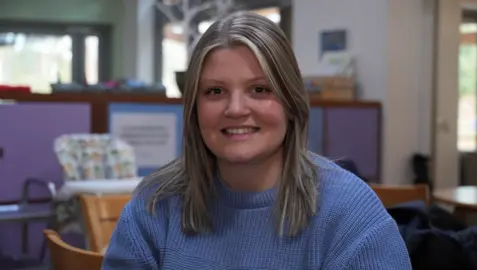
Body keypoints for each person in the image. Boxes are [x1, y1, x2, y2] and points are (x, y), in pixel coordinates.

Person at [102, 11, 411, 269]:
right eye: (215, 92)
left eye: (260, 90)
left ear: (291, 103)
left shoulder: (350, 214)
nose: (236, 109)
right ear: (195, 109)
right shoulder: (155, 205)